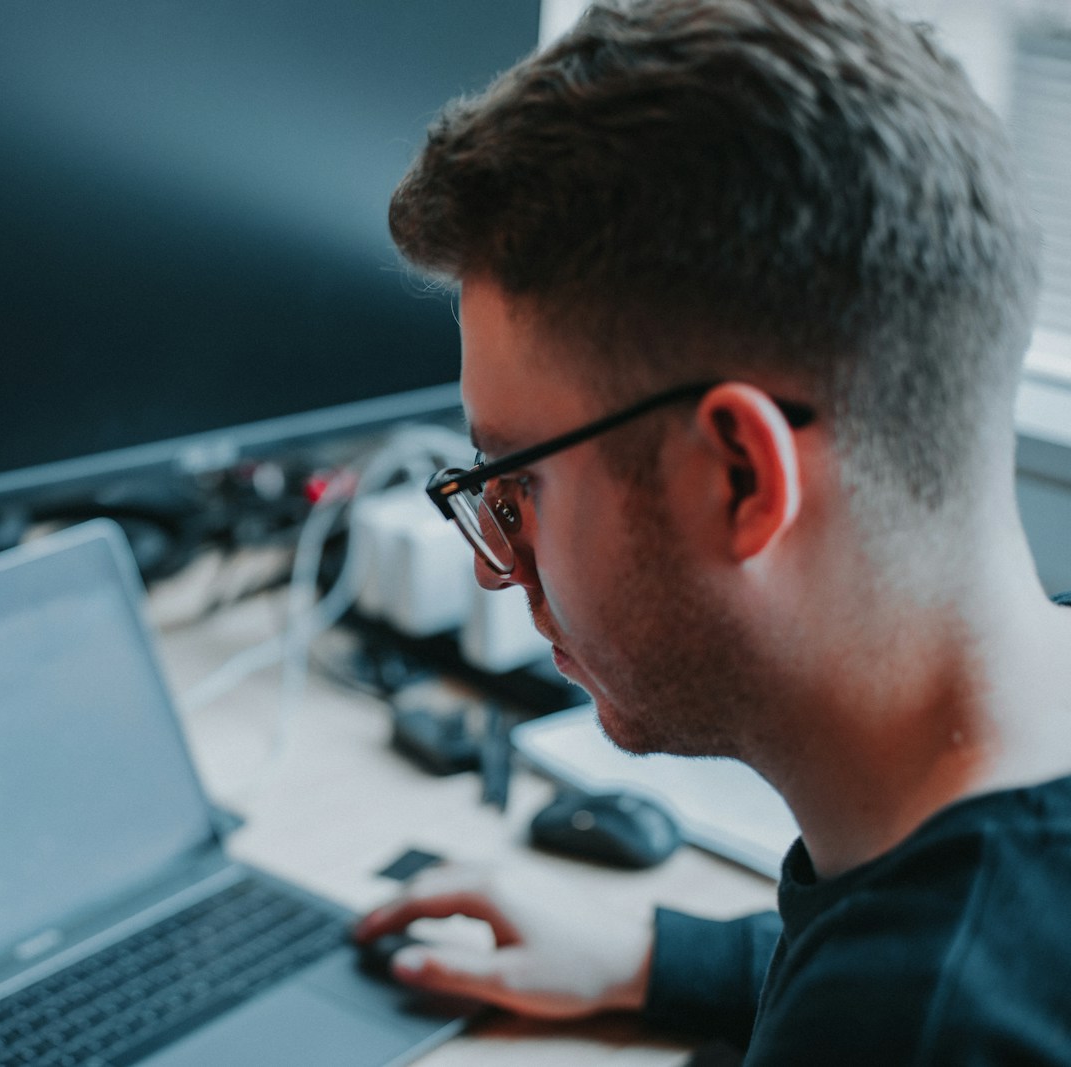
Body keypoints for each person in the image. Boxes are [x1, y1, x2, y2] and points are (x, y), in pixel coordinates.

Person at [352, 0, 1071, 1061]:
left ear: (737, 477)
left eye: (515, 485)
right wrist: (653, 954)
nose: (497, 567)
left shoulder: (916, 1023)